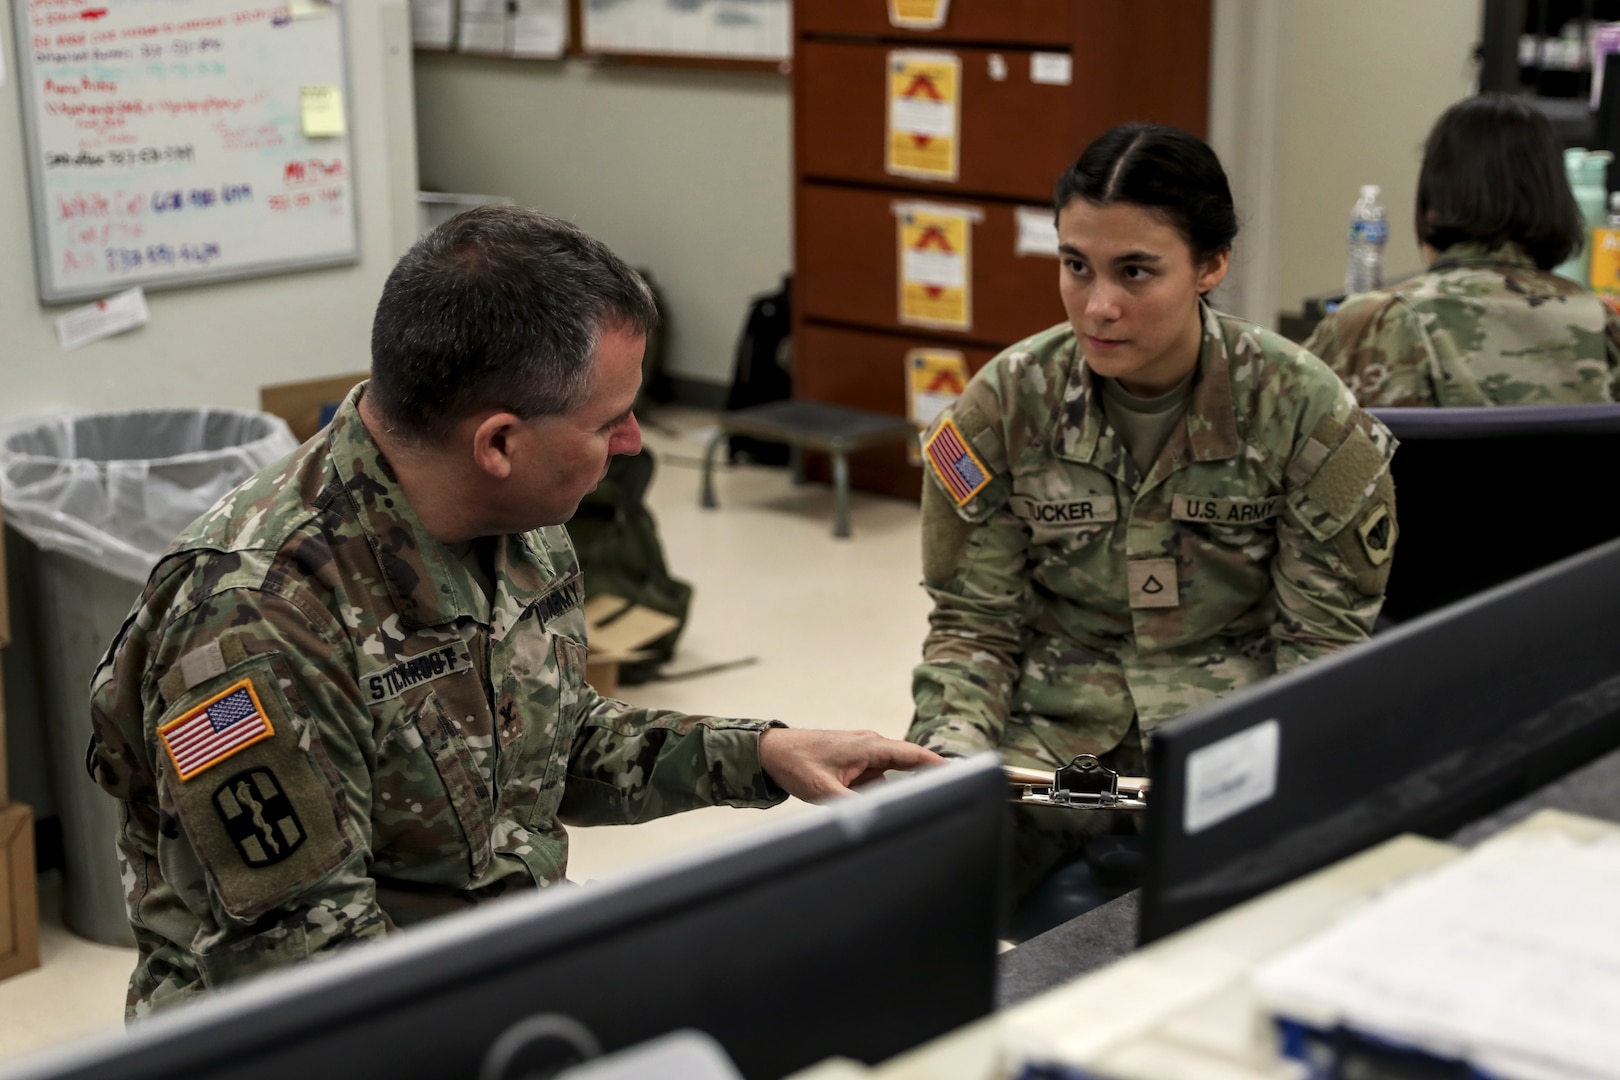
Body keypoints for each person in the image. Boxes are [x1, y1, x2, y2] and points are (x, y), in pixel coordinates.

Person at [87, 206, 942, 1016]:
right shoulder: (255, 621)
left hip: (494, 974)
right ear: (498, 442)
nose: (635, 442)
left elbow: (551, 743)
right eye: (609, 420)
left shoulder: (518, 524)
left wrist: (764, 752)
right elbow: (311, 974)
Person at [907, 124, 1398, 905]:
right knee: (914, 879)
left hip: (1227, 734)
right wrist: (949, 760)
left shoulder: (1302, 410)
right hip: (1059, 751)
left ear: (1211, 265)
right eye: (1076, 266)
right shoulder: (1006, 403)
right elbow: (974, 627)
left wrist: (1280, 775)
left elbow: (1320, 648)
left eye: (1136, 272)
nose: (1098, 306)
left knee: (1300, 895)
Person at [1304, 92, 1620, 406]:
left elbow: (1284, 439)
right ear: (1556, 198)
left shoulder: (1367, 325)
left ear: (1433, 200)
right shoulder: (1604, 329)